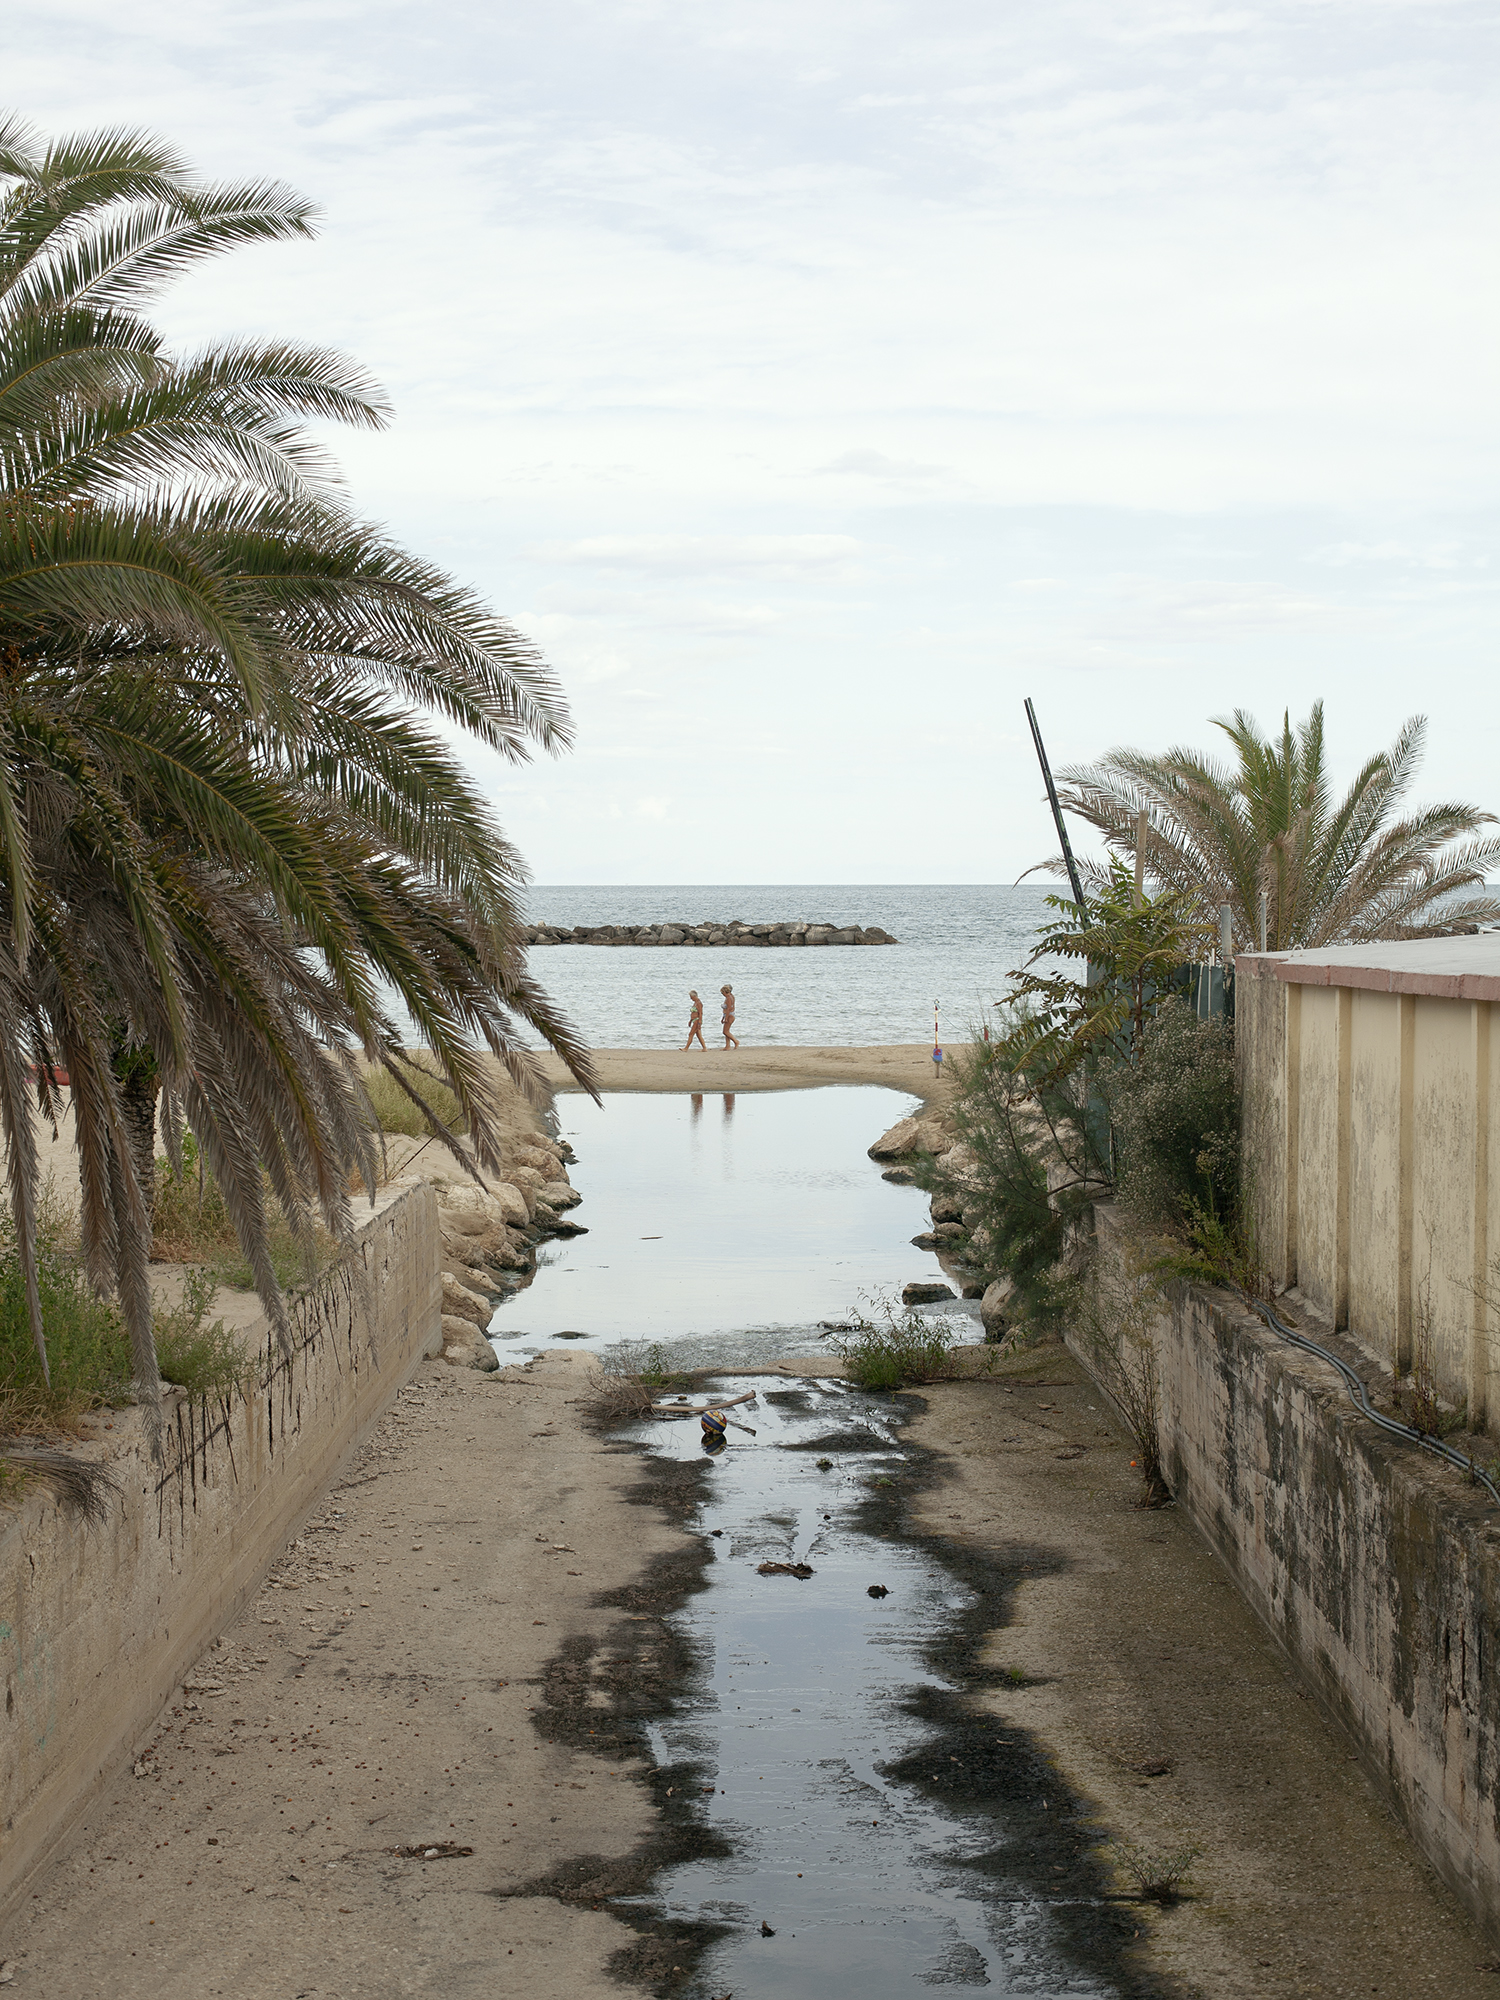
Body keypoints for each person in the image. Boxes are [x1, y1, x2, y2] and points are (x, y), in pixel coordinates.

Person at [720, 983, 739, 1050]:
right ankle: (727, 1046)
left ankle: (735, 1041)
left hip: (730, 1015)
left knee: (725, 1031)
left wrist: (726, 1018)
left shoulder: (728, 998)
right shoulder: (731, 996)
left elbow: (728, 1009)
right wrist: (723, 1017)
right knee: (727, 1031)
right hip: (728, 1015)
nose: (722, 994)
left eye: (723, 993)